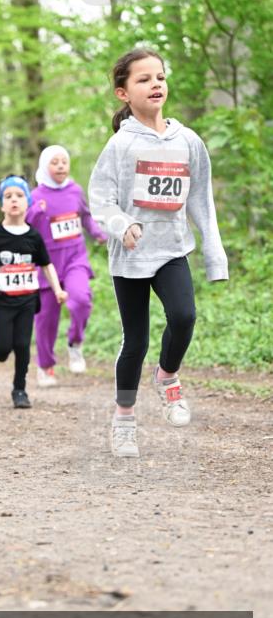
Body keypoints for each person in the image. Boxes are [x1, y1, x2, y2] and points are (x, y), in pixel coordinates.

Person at [88, 48, 228, 458]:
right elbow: (101, 200)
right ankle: (124, 418)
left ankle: (167, 377)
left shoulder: (188, 142)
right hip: (130, 256)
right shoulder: (120, 145)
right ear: (123, 93)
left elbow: (202, 202)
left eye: (160, 77)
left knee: (185, 317)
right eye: (144, 79)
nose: (156, 85)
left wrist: (214, 256)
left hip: (172, 250)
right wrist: (122, 225)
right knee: (135, 342)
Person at [0, 175, 68, 409]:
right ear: (2, 204)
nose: (14, 200)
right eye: (8, 196)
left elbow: (46, 264)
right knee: (2, 350)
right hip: (1, 301)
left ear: (28, 202)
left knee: (23, 345)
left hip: (26, 299)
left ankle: (20, 390)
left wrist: (57, 289)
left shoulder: (33, 236)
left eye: (19, 196)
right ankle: (5, 349)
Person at [26, 146, 107, 386]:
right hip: (46, 264)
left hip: (75, 259)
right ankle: (46, 366)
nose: (61, 166)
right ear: (44, 167)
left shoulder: (75, 191)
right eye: (55, 162)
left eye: (64, 161)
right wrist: (34, 212)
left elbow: (85, 217)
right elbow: (25, 226)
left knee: (81, 299)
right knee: (46, 318)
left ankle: (75, 342)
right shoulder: (35, 196)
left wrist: (98, 233)